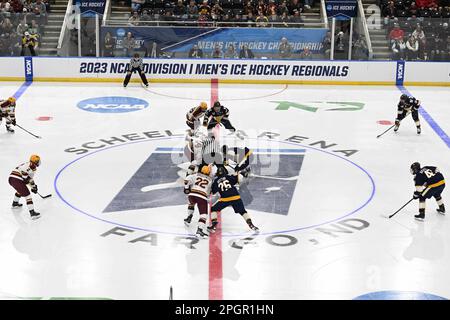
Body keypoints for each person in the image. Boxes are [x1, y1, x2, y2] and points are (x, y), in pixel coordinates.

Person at [208, 167, 259, 233]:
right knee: (243, 211)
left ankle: (214, 225)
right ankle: (250, 224)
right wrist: (240, 173)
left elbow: (212, 192)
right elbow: (239, 179)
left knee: (213, 209)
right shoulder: (228, 176)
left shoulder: (215, 181)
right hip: (235, 197)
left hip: (225, 199)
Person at [8, 155, 41, 220]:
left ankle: (15, 203)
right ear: (35, 162)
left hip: (12, 179)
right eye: (38, 161)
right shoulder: (28, 167)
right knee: (27, 195)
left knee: (21, 190)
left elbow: (29, 179)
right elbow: (26, 179)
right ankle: (32, 214)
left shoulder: (31, 166)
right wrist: (33, 187)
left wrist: (33, 186)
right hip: (16, 179)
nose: (39, 162)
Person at [184, 165, 213, 238]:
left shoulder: (195, 175)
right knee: (203, 215)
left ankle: (189, 217)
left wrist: (186, 188)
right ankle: (199, 231)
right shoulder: (210, 180)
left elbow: (186, 180)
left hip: (192, 194)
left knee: (191, 204)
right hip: (202, 196)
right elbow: (209, 192)